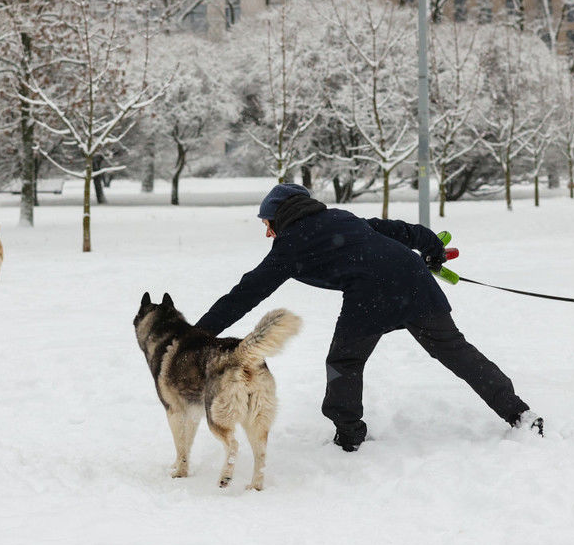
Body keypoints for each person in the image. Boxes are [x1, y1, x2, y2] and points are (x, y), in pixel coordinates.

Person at [195, 183, 543, 452]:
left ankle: (349, 436)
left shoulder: (290, 244)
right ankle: (520, 414)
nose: (267, 232)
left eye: (266, 223)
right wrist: (431, 247)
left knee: (343, 361)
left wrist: (202, 332)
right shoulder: (341, 217)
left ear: (278, 215)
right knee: (457, 352)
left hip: (371, 295)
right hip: (414, 278)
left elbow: (248, 290)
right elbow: (397, 230)